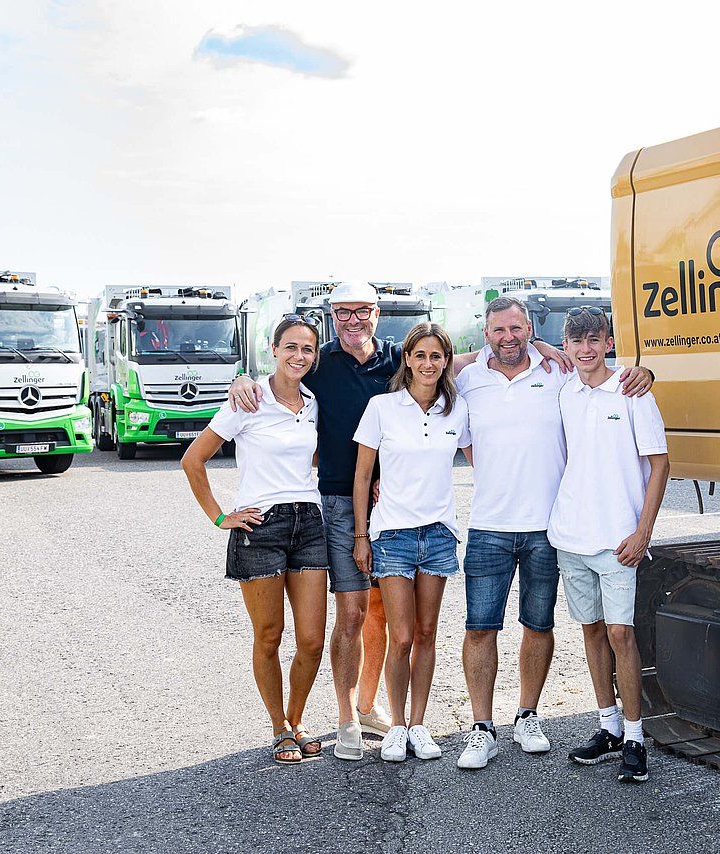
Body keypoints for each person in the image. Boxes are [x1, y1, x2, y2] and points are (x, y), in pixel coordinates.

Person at [226, 283, 574, 760]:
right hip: (343, 504)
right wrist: (244, 379)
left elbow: (465, 358)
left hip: (412, 515)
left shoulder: (402, 362)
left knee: (387, 618)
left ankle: (382, 711)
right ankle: (348, 719)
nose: (353, 320)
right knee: (353, 615)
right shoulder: (321, 361)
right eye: (344, 312)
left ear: (376, 313)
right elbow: (285, 368)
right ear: (332, 315)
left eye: (362, 311)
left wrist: (541, 346)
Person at [452, 296, 654, 770]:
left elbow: (599, 367)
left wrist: (646, 371)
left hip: (549, 528)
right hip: (488, 526)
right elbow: (429, 362)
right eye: (499, 330)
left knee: (538, 627)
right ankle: (482, 729)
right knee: (480, 628)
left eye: (518, 329)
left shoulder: (559, 372)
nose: (509, 338)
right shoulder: (467, 377)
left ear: (531, 330)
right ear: (486, 335)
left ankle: (527, 716)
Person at [181, 316, 328, 764]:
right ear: (273, 349)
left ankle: (297, 718)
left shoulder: (313, 403)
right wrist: (220, 516)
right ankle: (278, 726)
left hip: (310, 522)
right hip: (260, 526)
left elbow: (317, 457)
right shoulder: (248, 399)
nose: (299, 356)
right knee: (269, 634)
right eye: (290, 347)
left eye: (307, 349)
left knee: (312, 639)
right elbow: (193, 460)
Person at [548, 306, 669, 784]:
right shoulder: (564, 393)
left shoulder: (633, 390)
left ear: (608, 341)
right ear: (565, 344)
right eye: (576, 341)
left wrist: (643, 532)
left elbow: (659, 465)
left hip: (620, 538)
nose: (585, 349)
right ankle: (608, 727)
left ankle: (637, 737)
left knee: (622, 634)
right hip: (570, 535)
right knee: (592, 631)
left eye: (594, 339)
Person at [351, 323, 470, 762]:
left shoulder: (457, 411)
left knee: (426, 634)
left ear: (446, 361)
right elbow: (363, 475)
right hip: (392, 537)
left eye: (436, 356)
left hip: (439, 535)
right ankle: (396, 727)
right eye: (419, 355)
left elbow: (483, 458)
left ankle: (420, 725)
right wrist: (361, 535)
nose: (428, 363)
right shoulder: (383, 407)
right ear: (407, 359)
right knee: (400, 636)